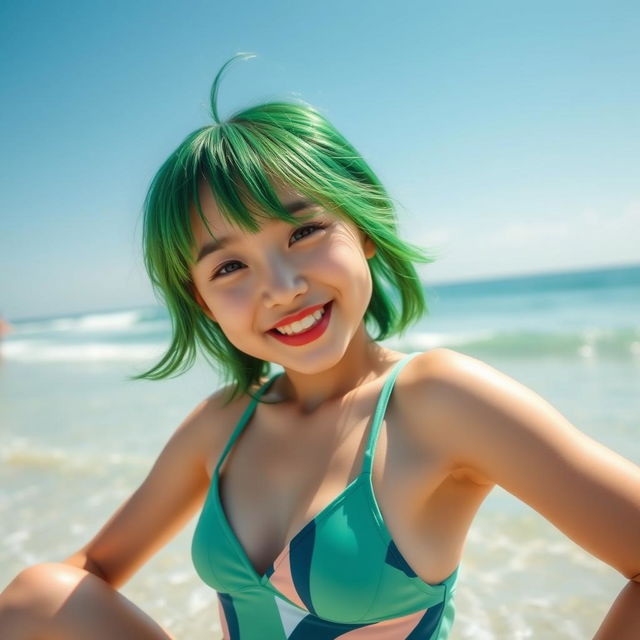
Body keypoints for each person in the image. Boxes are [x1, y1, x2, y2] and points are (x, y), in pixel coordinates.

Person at [0, 53, 639, 640]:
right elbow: (87, 573)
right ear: (202, 300)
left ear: (361, 228)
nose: (281, 288)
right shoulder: (224, 423)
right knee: (38, 595)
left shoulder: (439, 400)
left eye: (304, 230)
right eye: (229, 268)